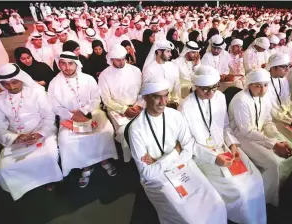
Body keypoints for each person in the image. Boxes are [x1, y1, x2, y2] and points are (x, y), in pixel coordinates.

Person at [128, 76, 227, 224]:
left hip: (182, 166)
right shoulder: (136, 129)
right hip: (158, 178)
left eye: (165, 95)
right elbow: (147, 173)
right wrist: (175, 152)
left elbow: (189, 146)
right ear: (146, 98)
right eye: (157, 97)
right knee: (190, 218)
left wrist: (159, 161)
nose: (163, 102)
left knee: (216, 203)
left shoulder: (175, 115)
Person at [179, 65, 267, 223]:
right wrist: (214, 158)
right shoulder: (185, 107)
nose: (210, 93)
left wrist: (232, 144)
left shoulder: (219, 97)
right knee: (238, 190)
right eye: (205, 89)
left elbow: (225, 126)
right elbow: (188, 142)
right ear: (196, 86)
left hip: (224, 147)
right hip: (202, 154)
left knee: (256, 179)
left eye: (214, 87)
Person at [228, 68, 292, 206]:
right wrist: (273, 144)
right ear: (249, 85)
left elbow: (267, 120)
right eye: (258, 86)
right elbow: (246, 131)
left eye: (266, 85)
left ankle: (284, 187)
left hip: (259, 133)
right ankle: (265, 200)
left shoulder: (265, 97)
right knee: (272, 163)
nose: (263, 90)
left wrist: (276, 136)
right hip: (241, 137)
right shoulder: (241, 101)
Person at [48, 52, 118, 187]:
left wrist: (84, 111)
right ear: (59, 64)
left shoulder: (88, 79)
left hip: (92, 112)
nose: (67, 67)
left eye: (70, 63)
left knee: (106, 131)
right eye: (63, 63)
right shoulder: (54, 84)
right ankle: (86, 166)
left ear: (76, 64)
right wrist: (71, 115)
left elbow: (96, 98)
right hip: (68, 118)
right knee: (65, 140)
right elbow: (55, 106)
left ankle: (103, 160)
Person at [0, 63, 63, 200]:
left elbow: (49, 117)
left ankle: (49, 178)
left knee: (49, 155)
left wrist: (39, 134)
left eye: (14, 82)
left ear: (21, 78)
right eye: (6, 84)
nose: (12, 87)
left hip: (42, 132)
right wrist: (16, 138)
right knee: (3, 169)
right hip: (16, 138)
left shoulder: (37, 92)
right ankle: (24, 184)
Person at [99, 44, 143, 163]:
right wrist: (124, 110)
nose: (122, 62)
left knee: (146, 126)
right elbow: (106, 100)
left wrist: (138, 105)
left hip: (137, 106)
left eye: (123, 59)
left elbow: (142, 91)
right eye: (118, 60)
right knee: (126, 131)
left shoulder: (135, 70)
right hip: (116, 110)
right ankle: (131, 159)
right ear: (111, 59)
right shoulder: (104, 75)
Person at [143, 40, 181, 108]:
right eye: (168, 51)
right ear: (159, 52)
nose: (170, 54)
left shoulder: (173, 66)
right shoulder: (149, 69)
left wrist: (175, 101)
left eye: (170, 51)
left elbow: (177, 86)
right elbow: (146, 93)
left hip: (173, 105)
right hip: (156, 105)